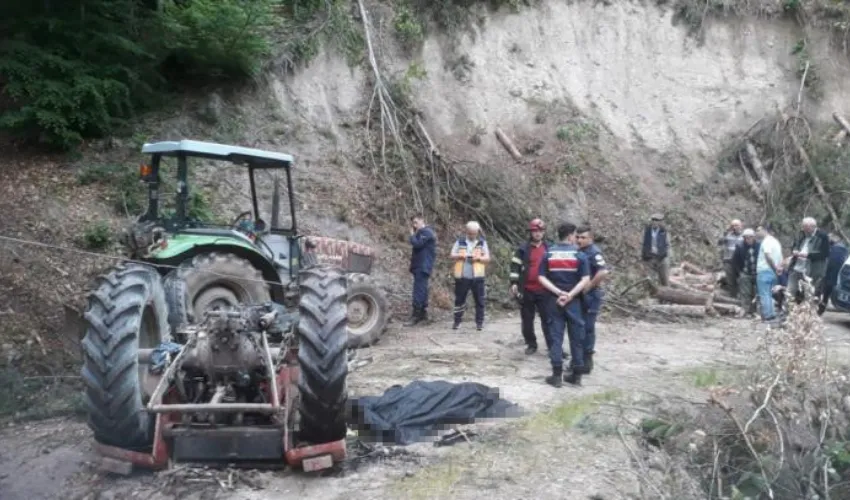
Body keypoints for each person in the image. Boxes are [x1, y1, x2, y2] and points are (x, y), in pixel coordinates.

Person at [537, 222, 591, 387]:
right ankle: (576, 376)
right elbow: (585, 279)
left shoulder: (549, 253)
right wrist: (570, 295)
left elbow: (541, 277)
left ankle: (556, 376)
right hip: (574, 302)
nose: (577, 238)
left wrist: (558, 293)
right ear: (570, 236)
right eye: (575, 235)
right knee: (576, 338)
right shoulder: (579, 255)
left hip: (554, 301)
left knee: (556, 337)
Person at [509, 218, 554, 355]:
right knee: (527, 320)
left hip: (544, 291)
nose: (538, 233)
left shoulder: (549, 248)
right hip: (527, 290)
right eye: (535, 231)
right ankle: (531, 344)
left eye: (540, 231)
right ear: (531, 232)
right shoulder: (523, 249)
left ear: (544, 232)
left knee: (548, 320)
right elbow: (514, 267)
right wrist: (514, 283)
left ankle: (553, 347)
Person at [576, 226, 609, 374]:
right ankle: (579, 358)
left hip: (591, 294)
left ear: (590, 238)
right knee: (579, 326)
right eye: (578, 237)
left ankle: (587, 359)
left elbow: (603, 271)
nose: (579, 240)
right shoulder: (579, 251)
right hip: (580, 294)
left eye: (583, 237)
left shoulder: (594, 252)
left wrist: (589, 285)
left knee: (588, 327)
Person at [450, 221, 491, 331]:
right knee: (459, 300)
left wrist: (478, 259)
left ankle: (479, 323)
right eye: (470, 233)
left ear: (477, 232)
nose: (472, 235)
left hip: (478, 276)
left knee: (479, 301)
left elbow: (487, 258)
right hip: (462, 276)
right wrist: (461, 256)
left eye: (474, 233)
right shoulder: (460, 242)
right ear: (466, 232)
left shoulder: (482, 243)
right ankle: (457, 322)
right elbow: (452, 255)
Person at [787, 217, 830, 304]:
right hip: (796, 268)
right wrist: (794, 250)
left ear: (813, 227)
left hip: (811, 271)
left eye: (806, 227)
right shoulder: (801, 234)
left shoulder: (822, 236)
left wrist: (808, 255)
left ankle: (807, 315)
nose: (804, 229)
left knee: (808, 295)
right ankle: (789, 314)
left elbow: (825, 254)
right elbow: (795, 245)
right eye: (803, 227)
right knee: (790, 292)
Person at [405, 215, 437, 326]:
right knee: (422, 289)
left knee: (419, 290)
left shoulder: (427, 232)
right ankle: (422, 314)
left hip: (423, 266)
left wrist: (412, 235)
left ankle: (416, 316)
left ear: (422, 220)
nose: (414, 225)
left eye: (416, 222)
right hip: (420, 265)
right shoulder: (422, 233)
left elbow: (417, 244)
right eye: (413, 223)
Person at [756, 224, 783, 321]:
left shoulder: (766, 241)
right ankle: (771, 313)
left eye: (758, 230)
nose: (757, 233)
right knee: (770, 293)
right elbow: (780, 257)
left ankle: (768, 315)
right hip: (773, 272)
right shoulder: (776, 242)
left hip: (765, 270)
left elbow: (768, 255)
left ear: (764, 230)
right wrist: (779, 268)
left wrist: (774, 267)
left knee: (764, 293)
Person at [732, 228, 759, 316]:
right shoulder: (739, 246)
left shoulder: (759, 246)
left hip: (757, 273)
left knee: (756, 292)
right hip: (745, 273)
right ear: (744, 238)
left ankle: (755, 310)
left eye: (750, 237)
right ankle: (746, 310)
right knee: (745, 293)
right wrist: (739, 272)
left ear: (754, 237)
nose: (748, 239)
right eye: (746, 238)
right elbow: (735, 261)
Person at [819, 232, 848, 315]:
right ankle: (820, 308)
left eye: (830, 237)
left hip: (831, 276)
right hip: (831, 276)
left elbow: (832, 263)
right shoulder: (838, 248)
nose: (829, 238)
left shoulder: (839, 249)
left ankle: (820, 309)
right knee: (824, 294)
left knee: (825, 293)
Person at [641, 213, 670, 286]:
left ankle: (667, 294)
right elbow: (642, 244)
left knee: (665, 281)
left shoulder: (664, 231)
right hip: (650, 259)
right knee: (650, 281)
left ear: (660, 222)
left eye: (657, 220)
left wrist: (666, 255)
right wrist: (643, 258)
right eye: (653, 220)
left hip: (662, 259)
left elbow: (668, 244)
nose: (655, 222)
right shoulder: (646, 231)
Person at [719, 219, 744, 296]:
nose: (734, 227)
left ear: (741, 226)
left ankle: (742, 299)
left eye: (736, 225)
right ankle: (732, 299)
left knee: (742, 280)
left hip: (740, 262)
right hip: (729, 261)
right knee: (730, 281)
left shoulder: (744, 236)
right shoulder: (728, 236)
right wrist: (725, 232)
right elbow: (719, 242)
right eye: (733, 225)